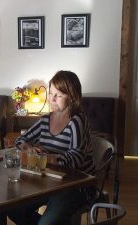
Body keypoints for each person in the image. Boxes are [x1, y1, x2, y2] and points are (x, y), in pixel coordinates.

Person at [8, 70, 95, 225]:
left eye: (59, 95)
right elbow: (20, 140)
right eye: (51, 93)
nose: (52, 99)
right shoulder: (45, 120)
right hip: (49, 183)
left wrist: (48, 158)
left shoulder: (76, 121)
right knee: (12, 209)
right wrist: (28, 148)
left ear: (73, 97)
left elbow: (76, 159)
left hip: (76, 187)